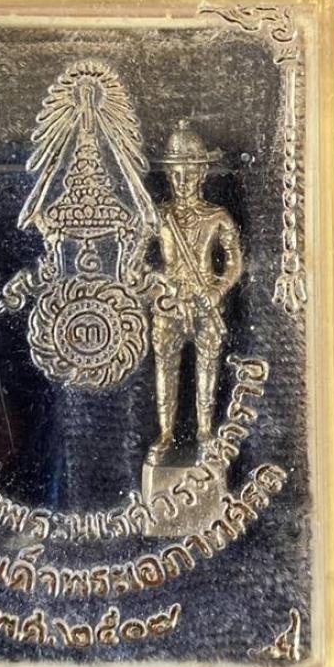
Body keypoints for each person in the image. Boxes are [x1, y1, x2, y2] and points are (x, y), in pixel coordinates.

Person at [147, 120, 242, 465]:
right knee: (165, 369)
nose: (182, 181)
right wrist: (161, 285)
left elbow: (234, 264)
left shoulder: (218, 218)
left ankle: (204, 432)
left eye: (189, 173)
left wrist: (217, 291)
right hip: (168, 306)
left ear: (202, 173)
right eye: (175, 174)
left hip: (205, 306)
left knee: (207, 367)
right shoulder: (158, 217)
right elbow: (136, 263)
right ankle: (165, 434)